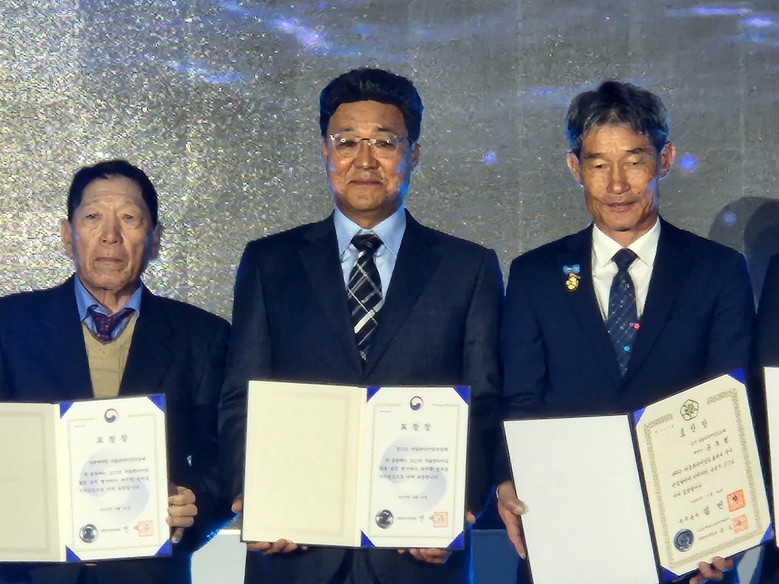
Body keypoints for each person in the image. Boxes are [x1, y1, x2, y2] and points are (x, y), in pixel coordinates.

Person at [219, 67, 503, 584]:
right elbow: (243, 395)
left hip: (416, 556)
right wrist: (255, 494)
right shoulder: (269, 263)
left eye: (385, 142)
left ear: (413, 154)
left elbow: (483, 404)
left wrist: (456, 510)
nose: (365, 160)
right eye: (347, 142)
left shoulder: (469, 269)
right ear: (325, 153)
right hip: (295, 552)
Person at [496, 80, 754, 583]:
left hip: (686, 546)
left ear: (665, 159)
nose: (616, 185)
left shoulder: (717, 271)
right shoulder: (536, 274)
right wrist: (508, 476)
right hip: (568, 534)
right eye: (598, 164)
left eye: (634, 161)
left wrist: (725, 532)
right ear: (575, 168)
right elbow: (520, 399)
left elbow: (732, 403)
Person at [0, 159, 231, 584]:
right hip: (32, 573)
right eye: (92, 217)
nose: (110, 235)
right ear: (67, 236)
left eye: (129, 218)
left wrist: (194, 501)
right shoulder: (8, 326)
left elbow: (227, 458)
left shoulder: (203, 337)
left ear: (155, 239)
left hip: (147, 570)